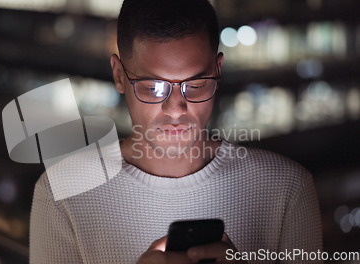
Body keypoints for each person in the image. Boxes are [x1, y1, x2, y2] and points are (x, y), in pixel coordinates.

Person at [29, 0, 322, 263]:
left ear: (218, 72)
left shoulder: (287, 189)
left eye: (195, 85)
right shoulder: (61, 194)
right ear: (119, 75)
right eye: (154, 87)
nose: (175, 109)